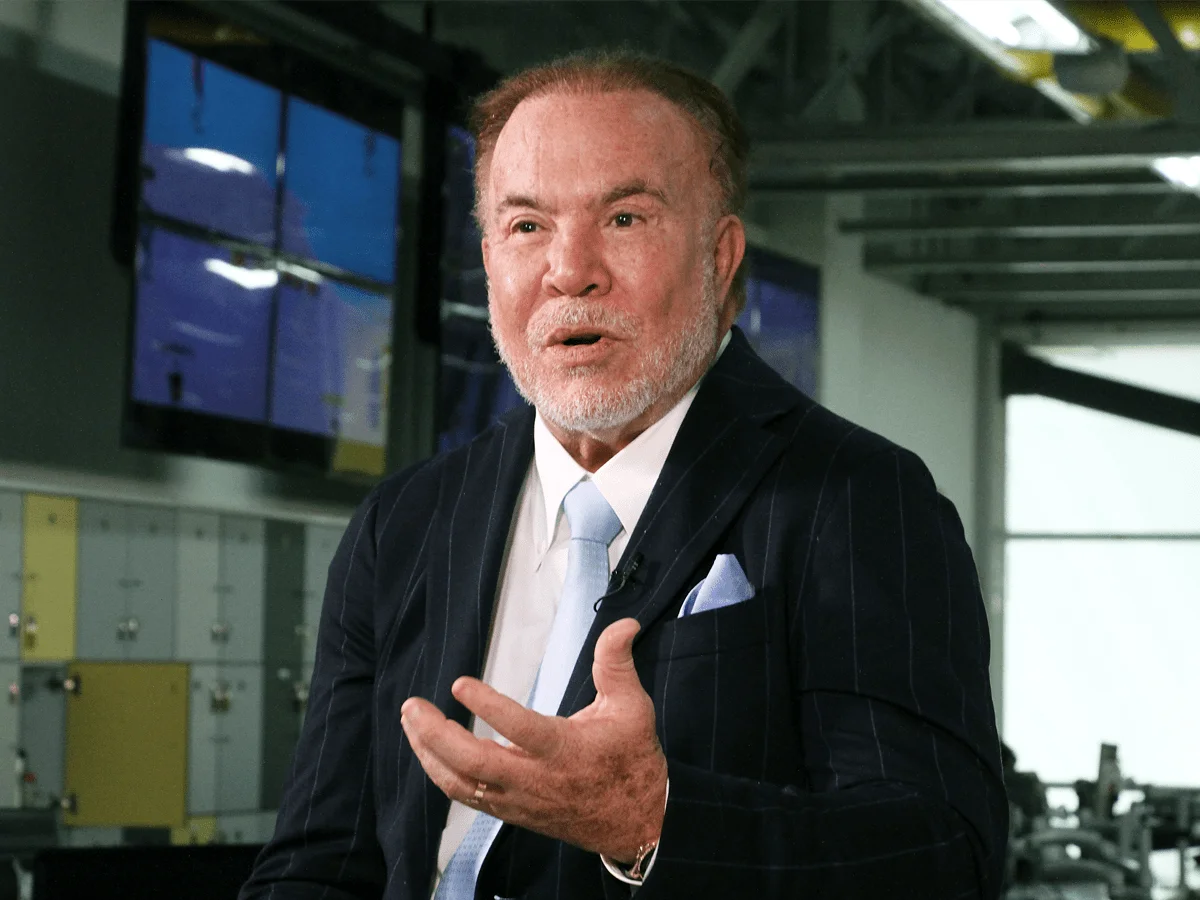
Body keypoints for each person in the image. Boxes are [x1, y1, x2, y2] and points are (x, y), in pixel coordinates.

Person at [240, 51, 1008, 900]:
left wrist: (653, 822)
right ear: (490, 260)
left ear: (720, 256)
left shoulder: (859, 497)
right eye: (527, 227)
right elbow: (317, 862)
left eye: (625, 218)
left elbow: (943, 856)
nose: (571, 270)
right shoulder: (404, 522)